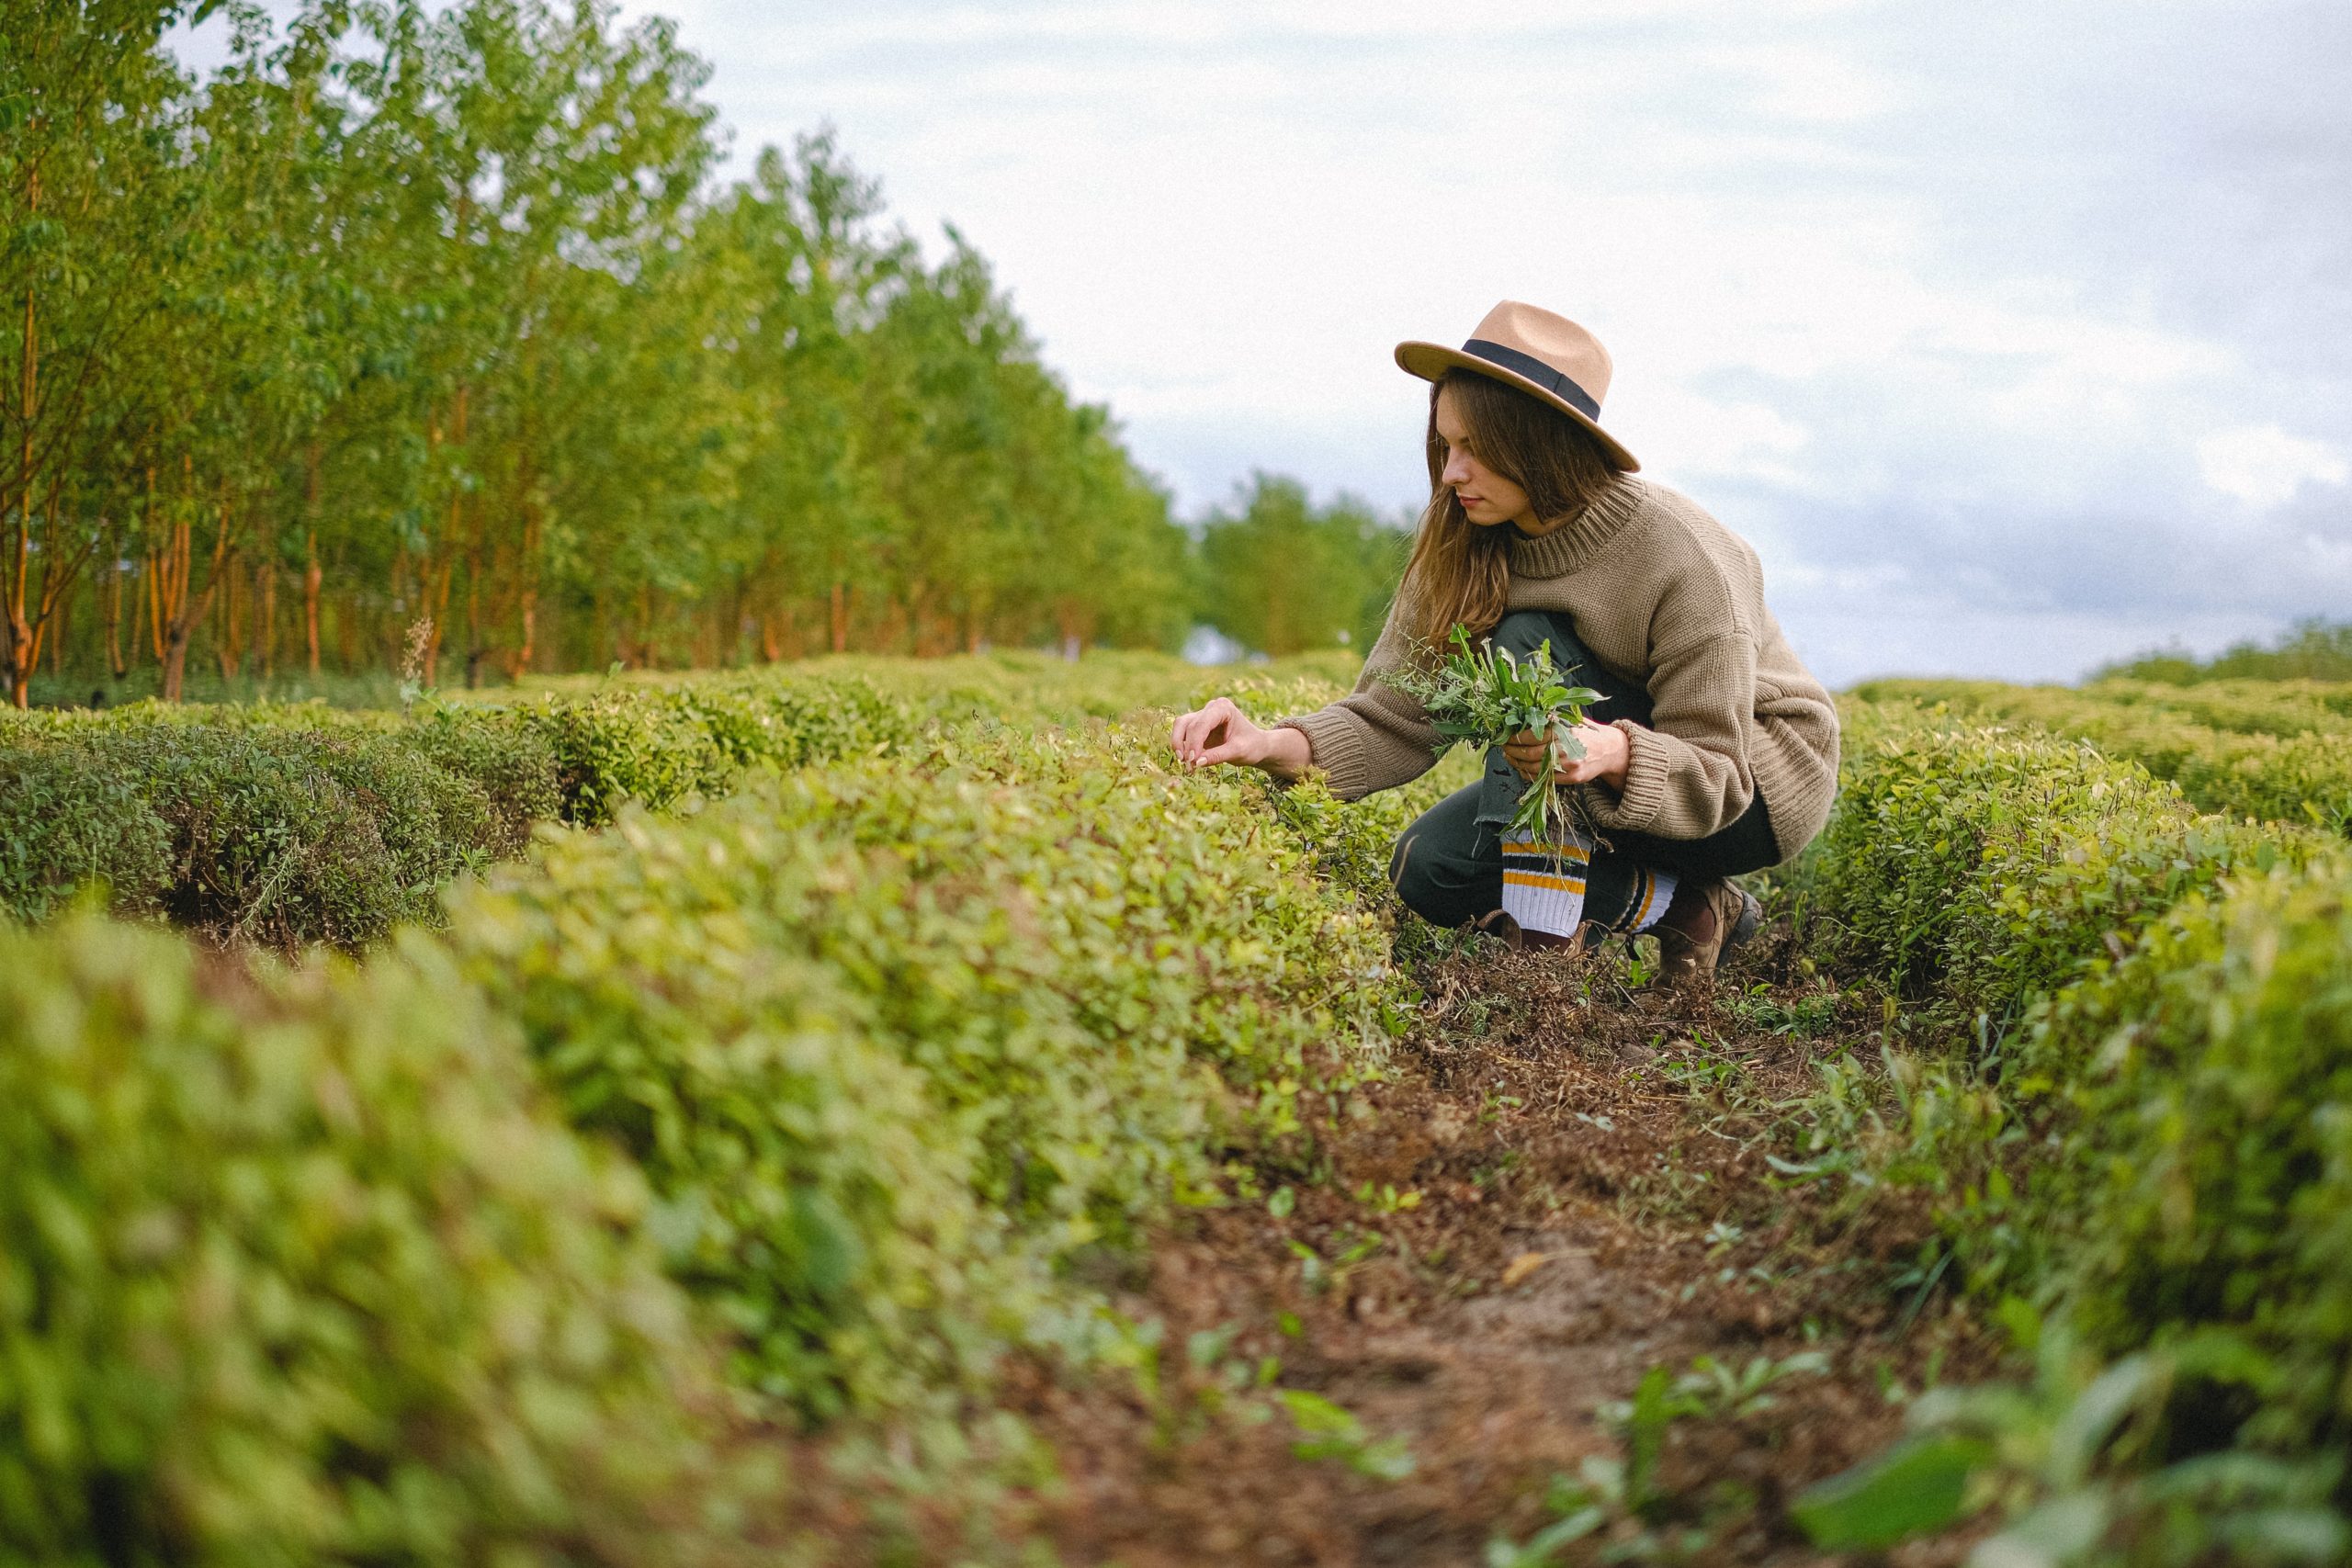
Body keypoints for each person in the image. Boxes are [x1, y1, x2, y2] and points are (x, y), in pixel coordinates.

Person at [1170, 300, 1840, 986]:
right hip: (1614, 771)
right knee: (1429, 865)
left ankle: (1537, 973)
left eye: (1476, 450)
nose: (1452, 473)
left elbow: (1718, 775)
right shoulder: (1463, 538)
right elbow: (1394, 714)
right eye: (1446, 446)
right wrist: (1266, 742)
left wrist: (1611, 749)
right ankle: (1690, 907)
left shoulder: (1684, 555)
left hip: (1750, 785)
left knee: (1527, 641)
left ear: (1541, 445)